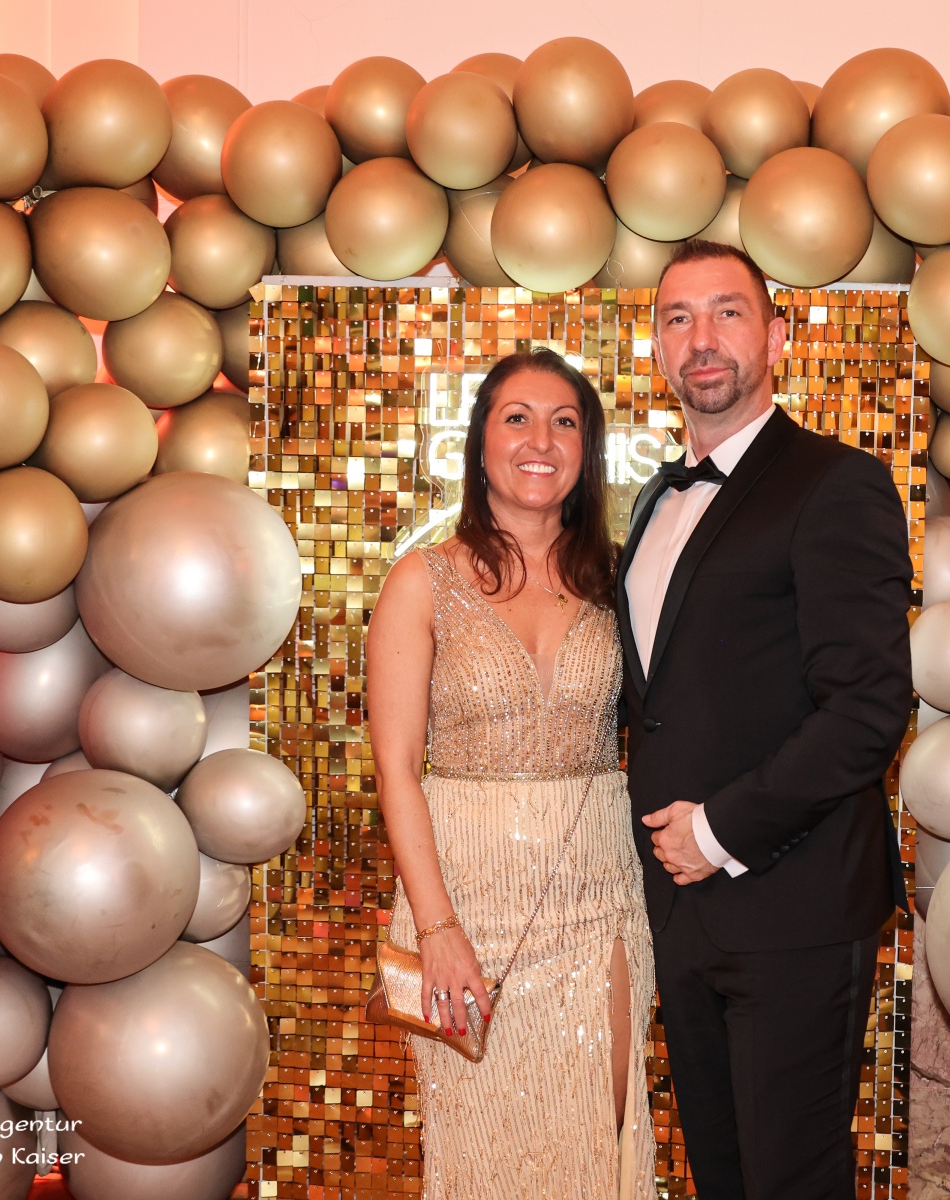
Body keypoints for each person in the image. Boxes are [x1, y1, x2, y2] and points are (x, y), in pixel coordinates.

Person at [621, 240, 913, 1200]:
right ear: (657, 350)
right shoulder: (656, 500)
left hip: (795, 909)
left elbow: (868, 708)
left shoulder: (836, 482)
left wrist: (719, 831)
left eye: (728, 312)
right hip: (681, 913)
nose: (701, 339)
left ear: (778, 338)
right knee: (722, 1178)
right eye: (678, 319)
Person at [367, 349, 657, 1199]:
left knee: (602, 1139)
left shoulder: (621, 579)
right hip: (463, 905)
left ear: (587, 450)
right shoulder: (422, 581)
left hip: (600, 899)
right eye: (517, 418)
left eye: (565, 422)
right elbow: (396, 769)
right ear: (481, 442)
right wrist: (436, 927)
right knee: (482, 1159)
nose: (541, 440)